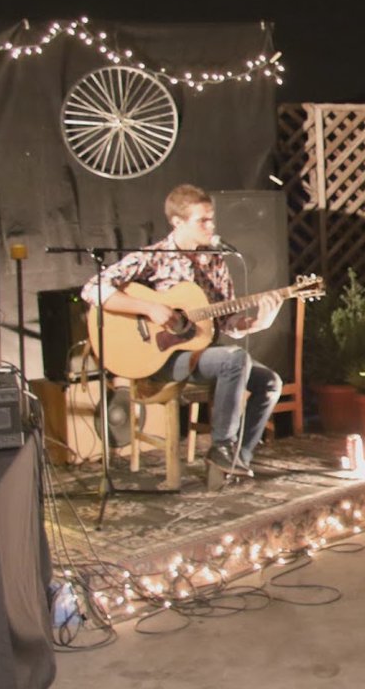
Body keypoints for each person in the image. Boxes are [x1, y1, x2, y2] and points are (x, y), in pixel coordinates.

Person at [81, 184, 283, 480]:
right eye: (203, 220)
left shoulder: (216, 261)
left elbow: (226, 321)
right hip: (163, 357)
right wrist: (150, 308)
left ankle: (235, 460)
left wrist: (256, 324)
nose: (211, 226)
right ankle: (222, 446)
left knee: (270, 382)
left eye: (212, 219)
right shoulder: (154, 257)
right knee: (235, 359)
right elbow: (92, 288)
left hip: (202, 354)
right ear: (177, 222)